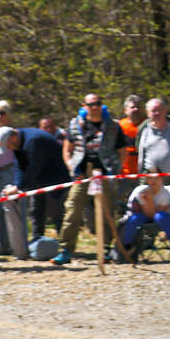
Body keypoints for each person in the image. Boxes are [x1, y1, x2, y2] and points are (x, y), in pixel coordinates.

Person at [57, 93, 122, 264]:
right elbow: (67, 149)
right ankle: (65, 250)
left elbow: (122, 150)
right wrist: (71, 167)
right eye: (91, 104)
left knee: (107, 211)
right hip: (82, 174)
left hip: (104, 173)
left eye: (97, 104)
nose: (94, 107)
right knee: (72, 210)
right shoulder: (75, 124)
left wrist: (115, 169)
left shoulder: (113, 125)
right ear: (84, 106)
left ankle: (105, 249)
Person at [137, 97, 170, 246]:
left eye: (159, 110)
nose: (156, 113)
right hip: (150, 177)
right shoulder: (143, 129)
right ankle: (148, 239)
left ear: (165, 111)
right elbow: (139, 149)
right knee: (147, 205)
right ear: (147, 113)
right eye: (153, 111)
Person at [0, 102, 29, 260]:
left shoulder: (13, 132)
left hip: (12, 171)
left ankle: (20, 246)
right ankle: (2, 245)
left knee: (15, 209)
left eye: (1, 113)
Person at [16, 115, 69, 238]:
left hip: (54, 180)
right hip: (36, 181)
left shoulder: (62, 137)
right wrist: (20, 185)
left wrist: (22, 184)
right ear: (40, 128)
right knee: (36, 210)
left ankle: (64, 240)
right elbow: (24, 164)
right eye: (45, 127)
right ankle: (37, 238)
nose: (48, 129)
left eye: (51, 126)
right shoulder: (33, 140)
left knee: (57, 212)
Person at [119, 170, 170, 262]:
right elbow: (147, 213)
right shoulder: (141, 191)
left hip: (162, 218)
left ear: (161, 179)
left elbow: (154, 214)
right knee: (134, 219)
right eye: (150, 178)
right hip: (145, 215)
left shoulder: (165, 194)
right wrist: (148, 201)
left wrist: (150, 200)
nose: (153, 181)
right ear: (147, 179)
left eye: (156, 178)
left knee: (160, 217)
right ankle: (126, 247)